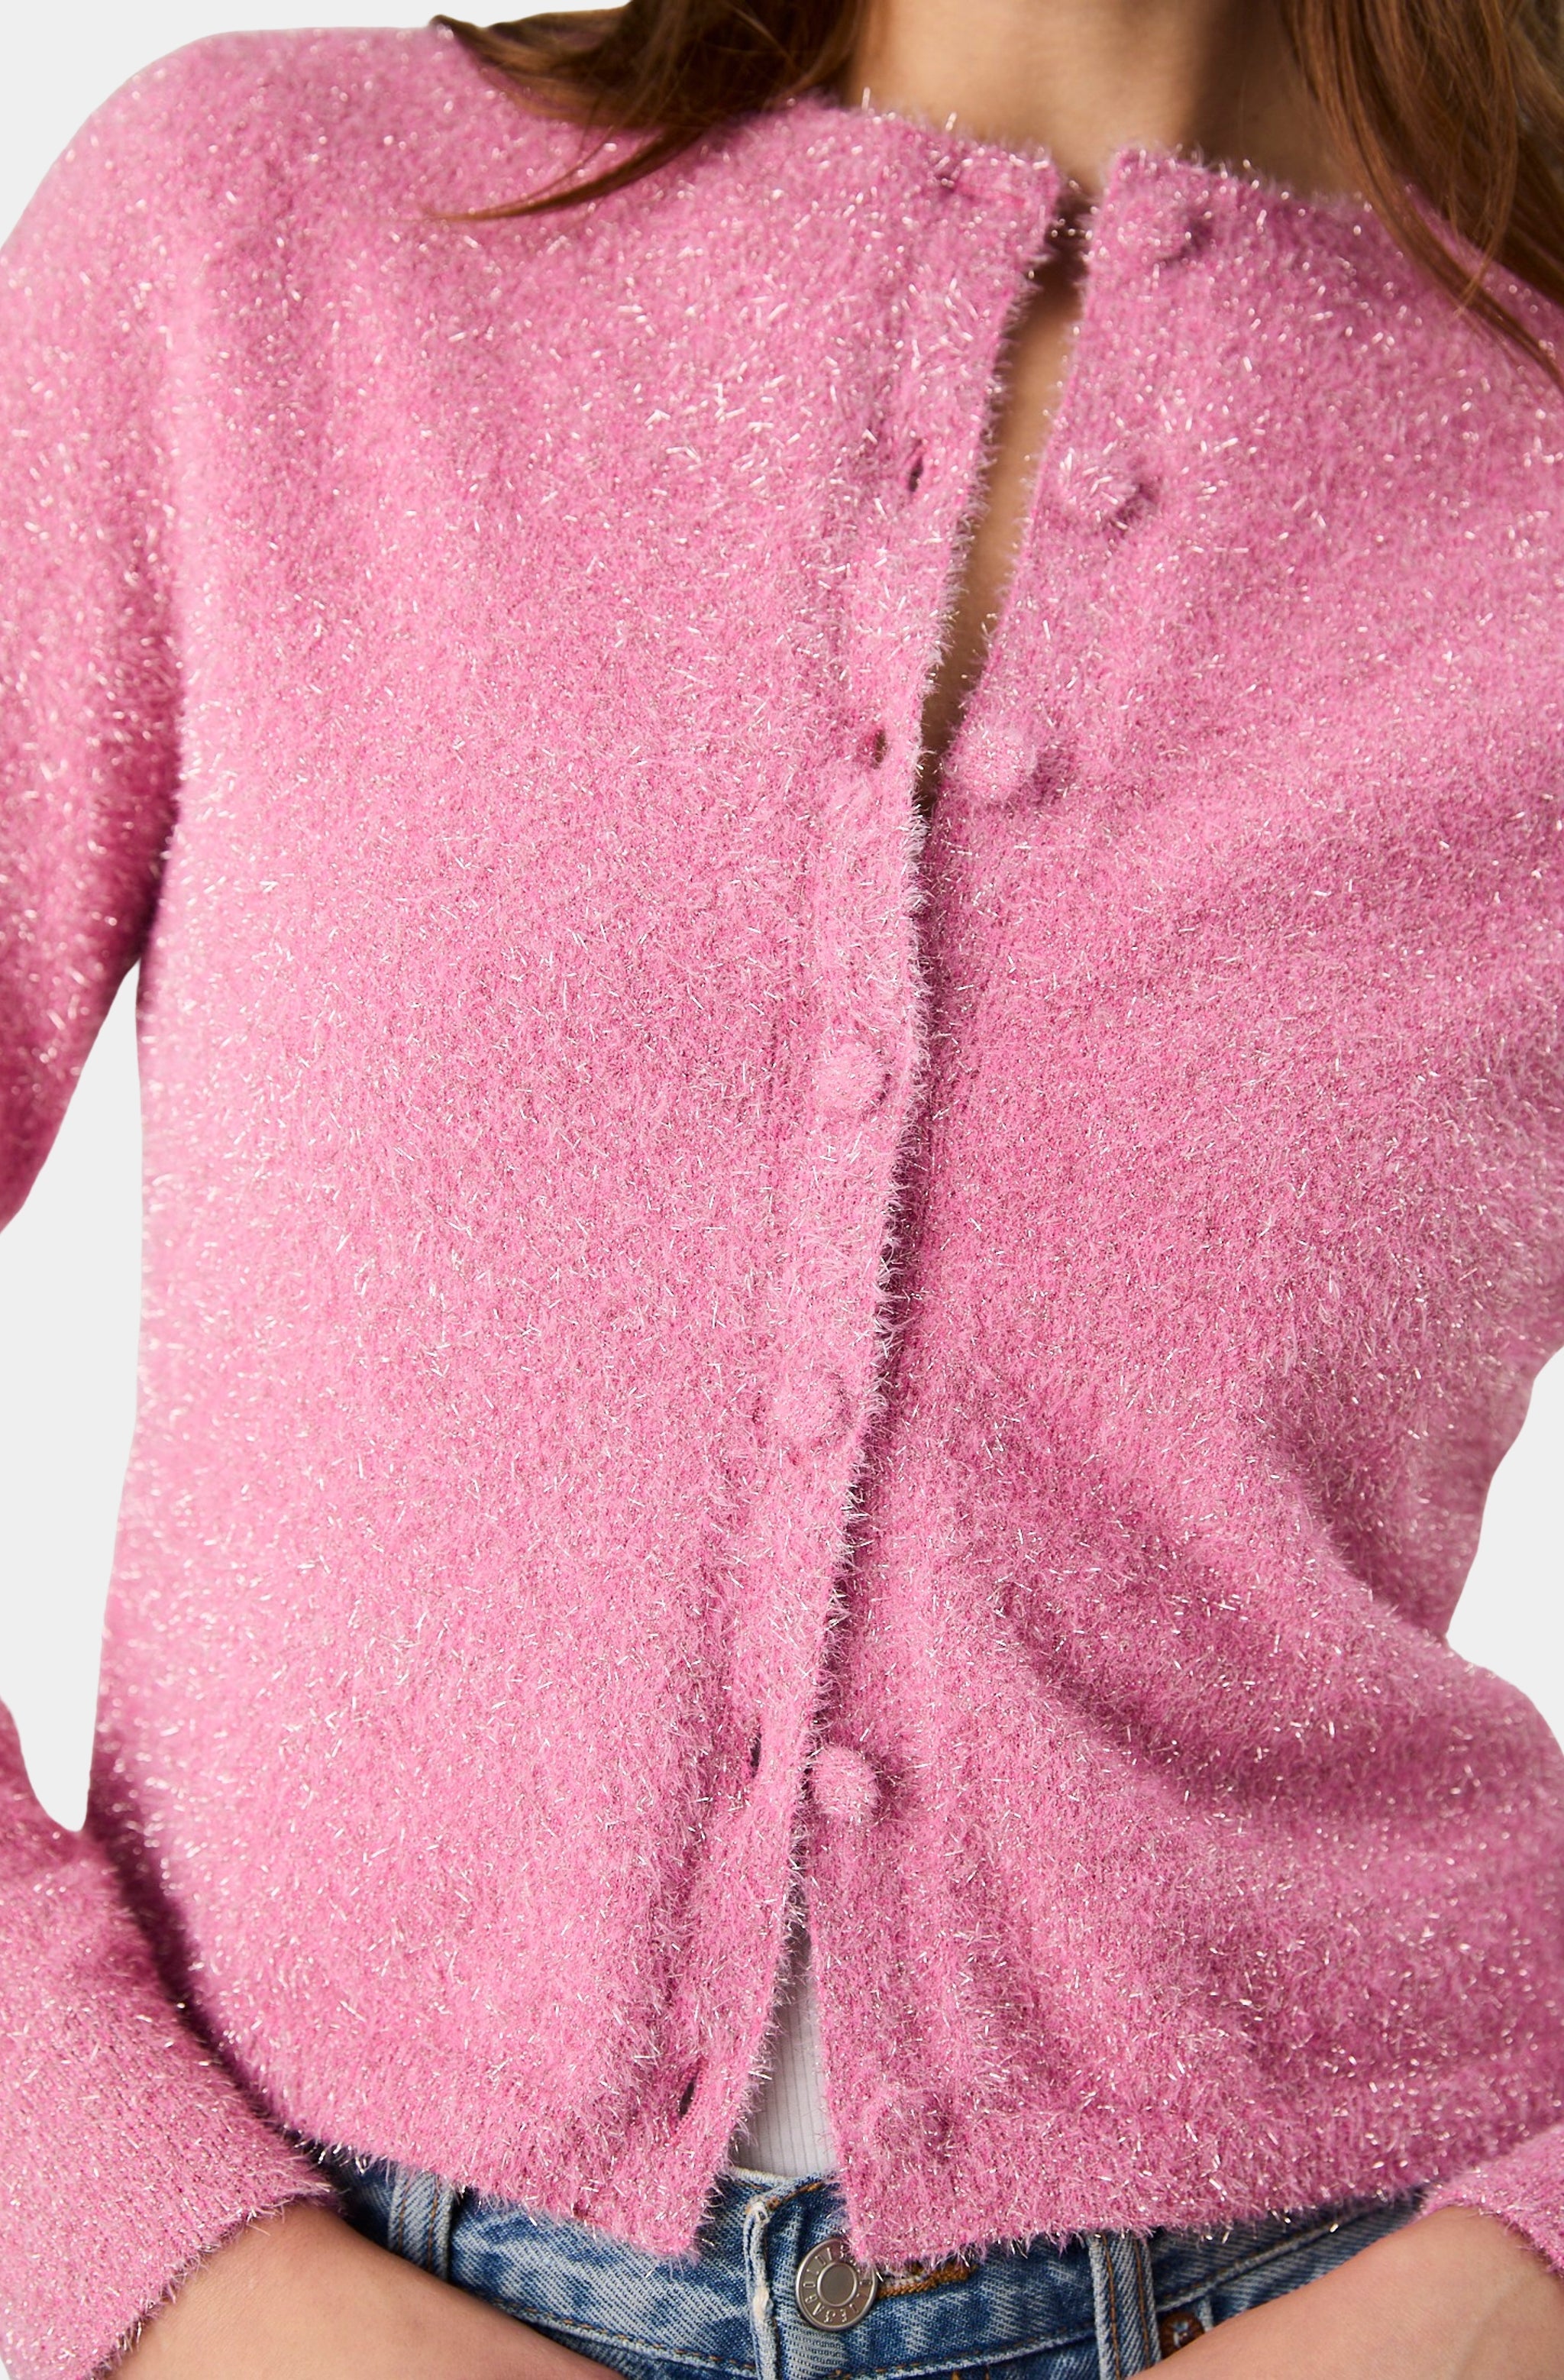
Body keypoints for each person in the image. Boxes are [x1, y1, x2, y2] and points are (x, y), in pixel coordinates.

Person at [5, 0, 1564, 2372]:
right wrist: (150, 2239)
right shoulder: (259, 239)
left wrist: (1487, 2303)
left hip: (1347, 2275)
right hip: (307, 2275)